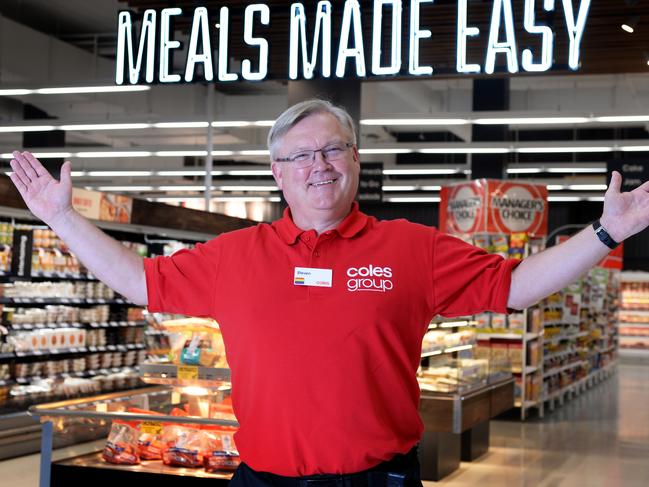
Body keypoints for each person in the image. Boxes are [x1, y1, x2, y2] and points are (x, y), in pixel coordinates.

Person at [8, 99, 649, 486]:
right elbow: (135, 280)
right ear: (277, 173)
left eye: (333, 149)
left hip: (377, 486)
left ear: (356, 160)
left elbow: (514, 287)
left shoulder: (409, 249)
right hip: (265, 486)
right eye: (300, 156)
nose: (319, 165)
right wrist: (63, 219)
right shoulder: (236, 255)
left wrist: (603, 233)